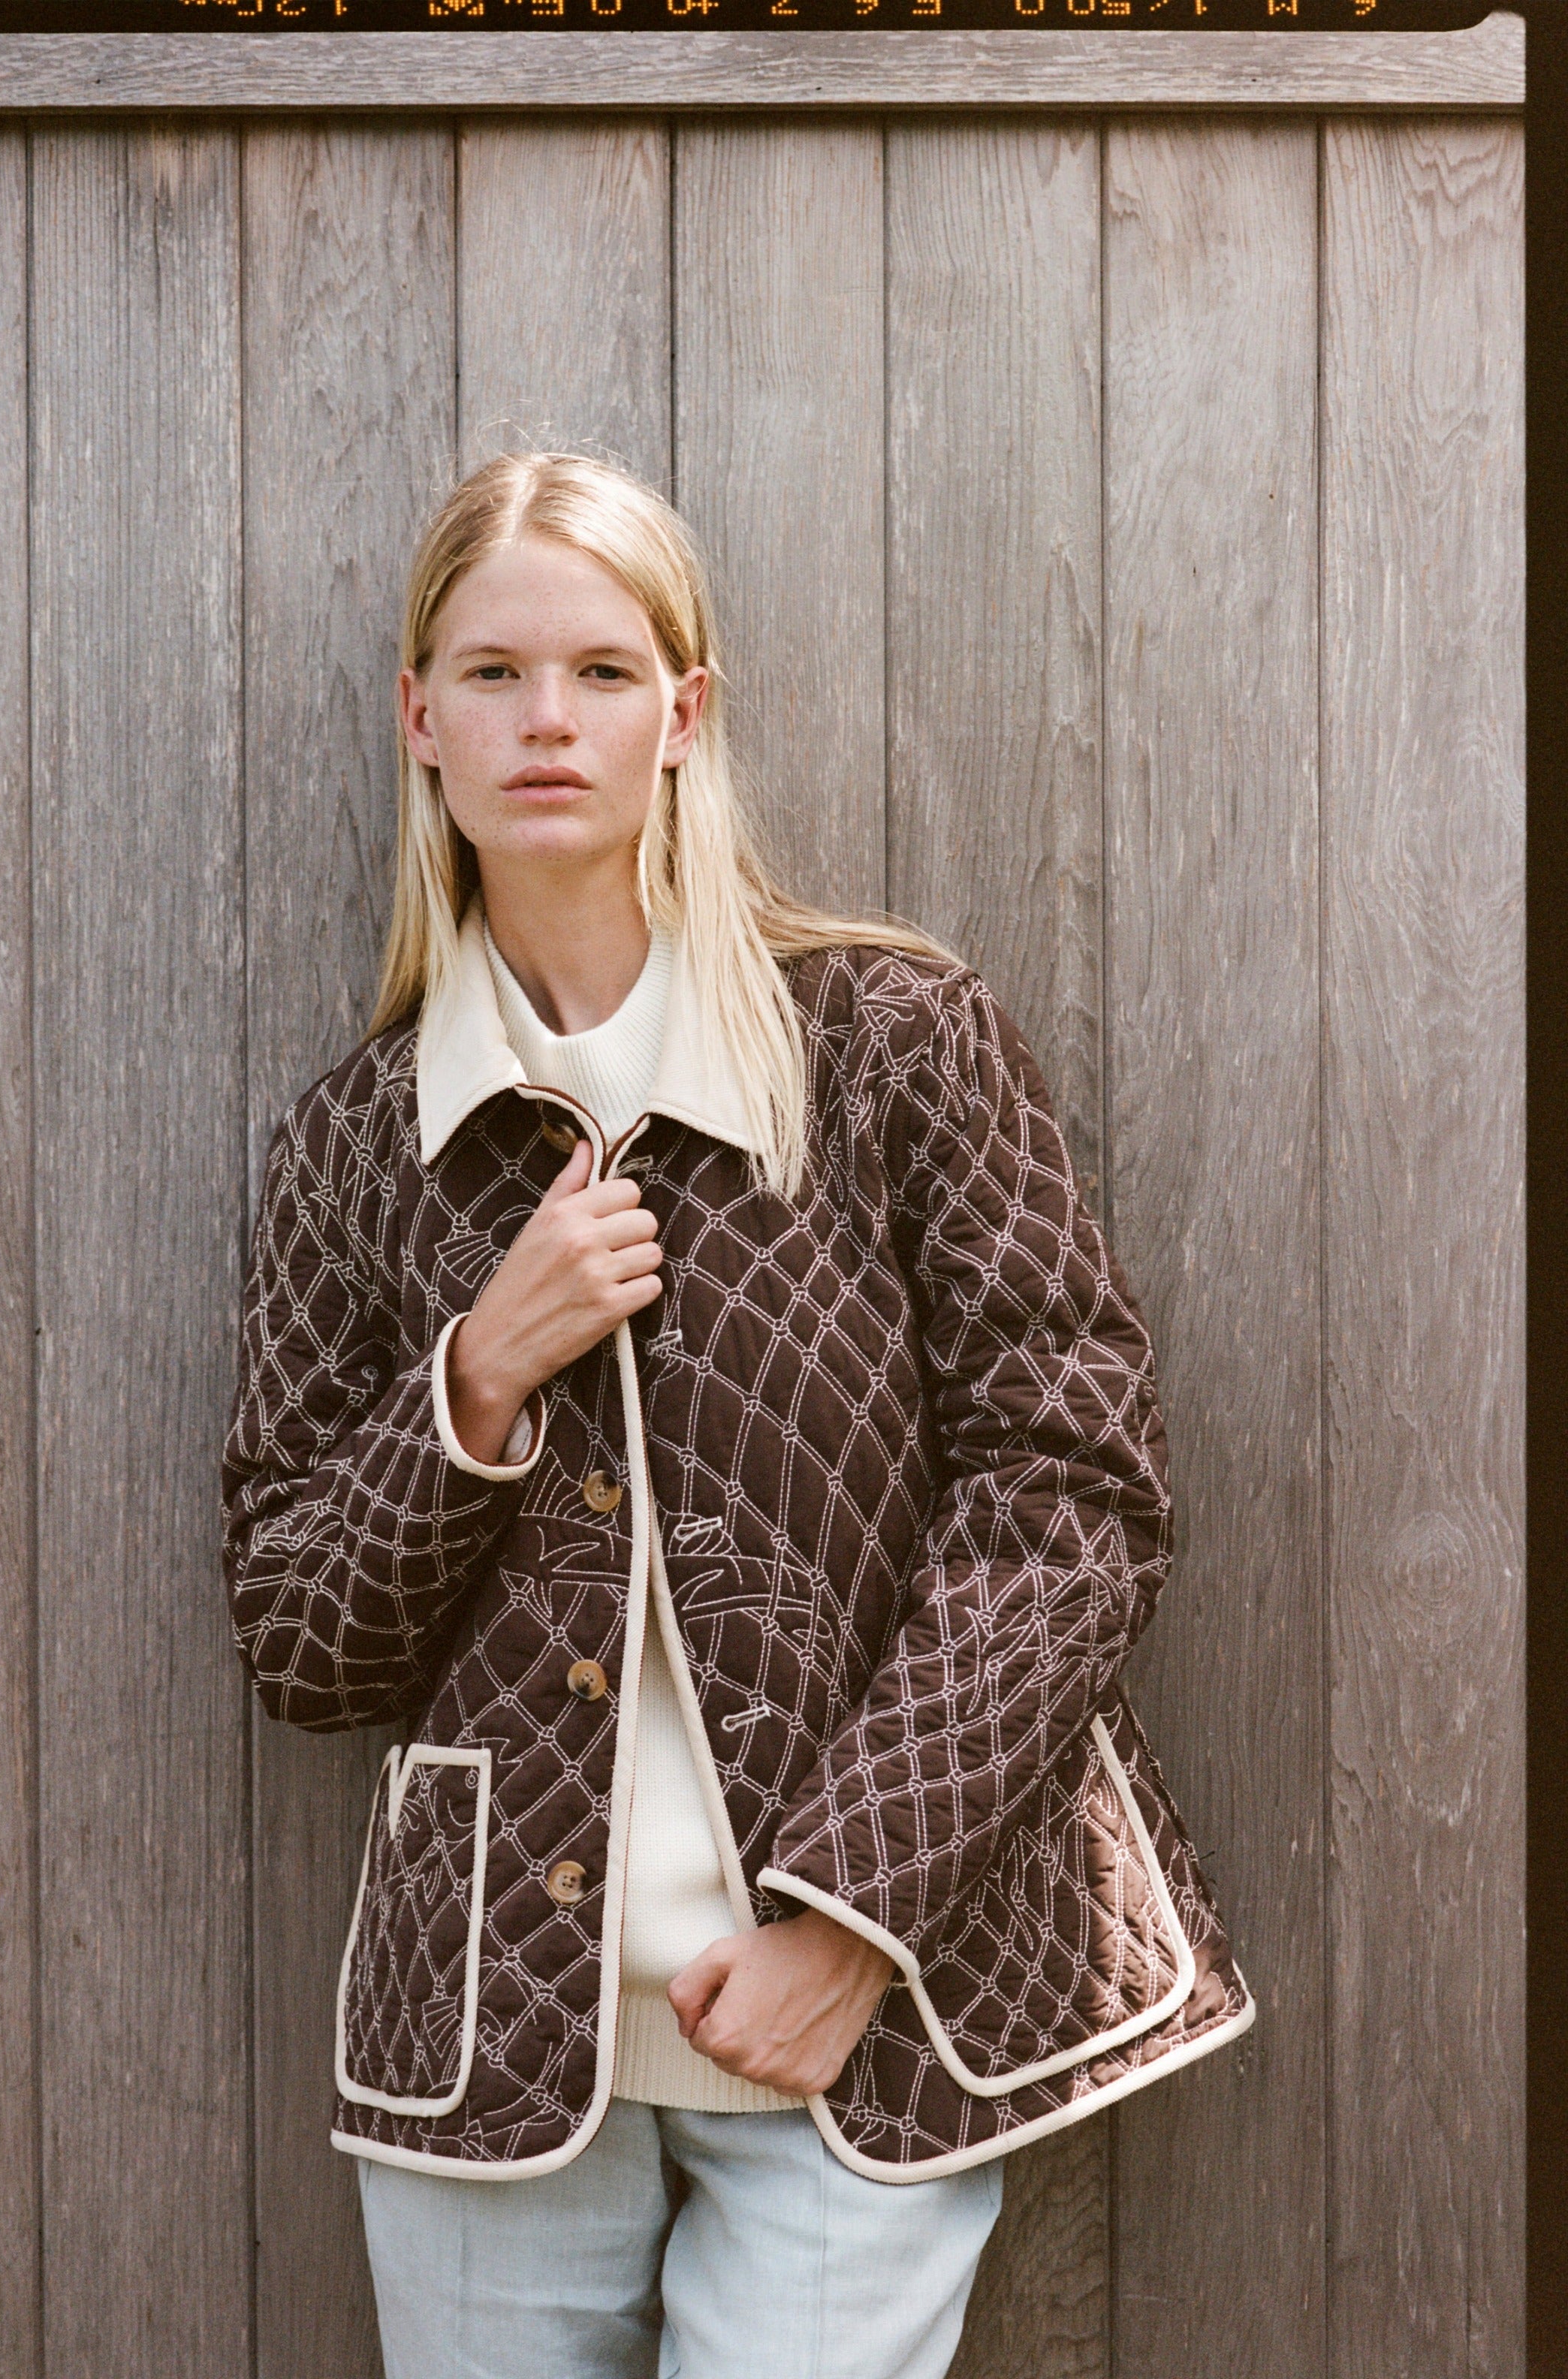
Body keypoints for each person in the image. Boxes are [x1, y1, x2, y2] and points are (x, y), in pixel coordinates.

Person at [222, 452, 1254, 2379]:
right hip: (493, 2052)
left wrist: (851, 1917)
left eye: (607, 672)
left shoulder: (892, 1045)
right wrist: (478, 1377)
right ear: (417, 716)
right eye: (495, 672)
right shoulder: (354, 1147)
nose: (549, 720)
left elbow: (1078, 1491)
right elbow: (295, 1633)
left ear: (684, 716)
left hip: (860, 2017)